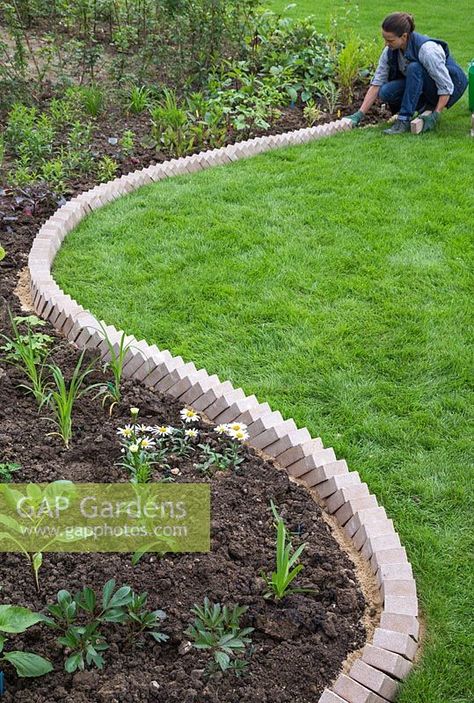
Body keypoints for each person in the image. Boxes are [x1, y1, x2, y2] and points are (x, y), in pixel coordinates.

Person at [346, 12, 468, 134]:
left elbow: (446, 86)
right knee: (386, 91)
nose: (386, 44)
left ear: (404, 37)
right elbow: (376, 83)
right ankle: (424, 107)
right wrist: (359, 114)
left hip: (451, 85)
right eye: (385, 39)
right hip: (423, 84)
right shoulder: (389, 51)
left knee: (414, 67)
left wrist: (436, 114)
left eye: (390, 40)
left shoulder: (427, 51)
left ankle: (404, 120)